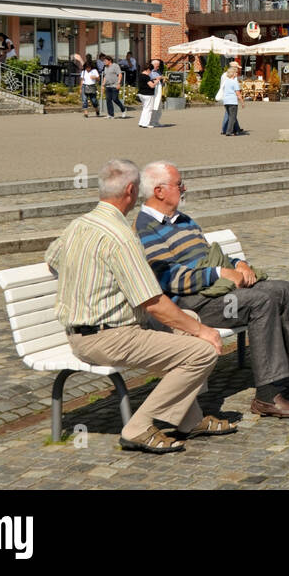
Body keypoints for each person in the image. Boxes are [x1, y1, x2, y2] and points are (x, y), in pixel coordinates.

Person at [46, 159, 232, 454]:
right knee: (202, 350)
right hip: (110, 336)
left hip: (85, 331)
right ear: (131, 191)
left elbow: (52, 259)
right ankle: (138, 427)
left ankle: (190, 419)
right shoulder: (122, 238)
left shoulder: (79, 224)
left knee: (189, 319)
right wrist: (204, 331)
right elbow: (153, 303)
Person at [136, 161, 289, 419]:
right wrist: (217, 274)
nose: (184, 188)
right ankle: (268, 395)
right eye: (179, 184)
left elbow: (213, 257)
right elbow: (167, 279)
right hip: (191, 302)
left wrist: (239, 264)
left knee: (282, 290)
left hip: (215, 291)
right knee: (259, 302)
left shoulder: (184, 220)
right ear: (159, 191)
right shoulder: (146, 228)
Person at [218, 64, 246, 135]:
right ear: (233, 74)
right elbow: (238, 93)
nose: (237, 73)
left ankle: (235, 129)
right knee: (232, 117)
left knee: (231, 116)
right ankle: (229, 131)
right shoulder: (234, 82)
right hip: (232, 101)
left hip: (226, 101)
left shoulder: (226, 81)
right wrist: (242, 102)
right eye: (236, 72)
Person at [102, 55, 129, 119]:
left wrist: (119, 83)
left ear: (110, 60)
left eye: (105, 61)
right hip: (108, 85)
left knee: (115, 99)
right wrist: (103, 85)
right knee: (108, 100)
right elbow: (105, 76)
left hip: (115, 85)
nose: (104, 62)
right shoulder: (105, 67)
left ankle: (123, 109)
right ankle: (111, 114)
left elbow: (120, 74)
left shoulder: (115, 66)